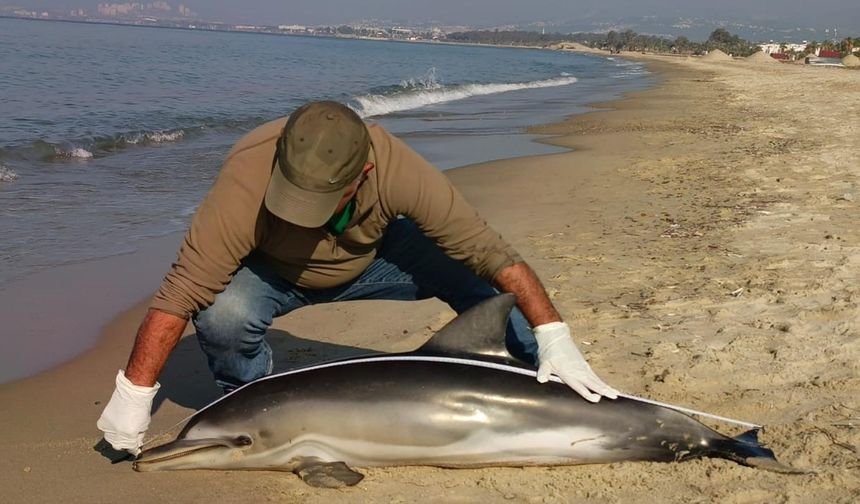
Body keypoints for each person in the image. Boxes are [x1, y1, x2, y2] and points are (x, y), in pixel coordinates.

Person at [97, 101, 618, 455]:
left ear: (363, 173)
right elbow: (182, 290)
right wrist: (134, 395)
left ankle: (541, 379)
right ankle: (252, 406)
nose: (304, 212)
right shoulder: (246, 173)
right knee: (223, 314)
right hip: (276, 274)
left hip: (380, 259)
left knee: (486, 288)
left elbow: (491, 252)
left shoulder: (399, 169)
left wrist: (556, 336)